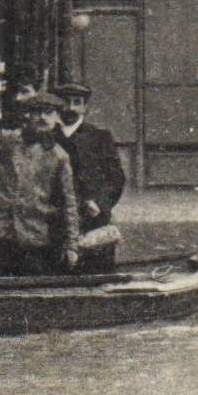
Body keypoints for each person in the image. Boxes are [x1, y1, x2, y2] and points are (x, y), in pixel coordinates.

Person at [0, 92, 79, 277]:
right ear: (28, 116)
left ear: (56, 118)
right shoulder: (8, 139)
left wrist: (72, 245)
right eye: (37, 113)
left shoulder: (59, 156)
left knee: (29, 289)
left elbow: (69, 202)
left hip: (34, 234)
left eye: (48, 113)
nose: (42, 118)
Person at [52, 80, 125, 270]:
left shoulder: (100, 137)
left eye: (77, 103)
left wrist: (100, 203)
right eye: (66, 102)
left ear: (85, 107)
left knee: (97, 267)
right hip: (57, 216)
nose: (71, 108)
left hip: (93, 216)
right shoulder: (49, 137)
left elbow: (116, 179)